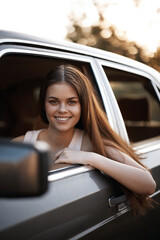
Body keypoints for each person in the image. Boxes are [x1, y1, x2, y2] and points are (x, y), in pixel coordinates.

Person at [13, 64, 156, 215]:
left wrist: (91, 157)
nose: (62, 109)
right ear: (43, 104)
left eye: (72, 102)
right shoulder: (21, 144)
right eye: (53, 101)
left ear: (83, 105)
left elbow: (148, 184)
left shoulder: (91, 143)